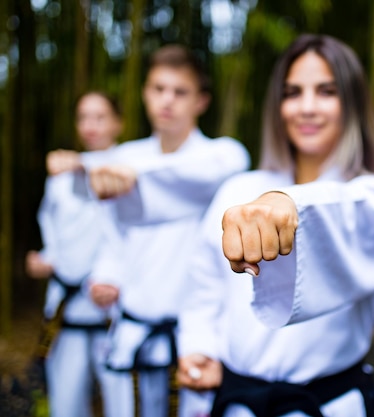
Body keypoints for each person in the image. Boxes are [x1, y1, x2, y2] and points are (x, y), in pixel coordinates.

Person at [176, 34, 374, 417]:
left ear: (351, 103)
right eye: (292, 92)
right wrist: (199, 348)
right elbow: (205, 287)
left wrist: (288, 204)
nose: (306, 107)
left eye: (325, 92)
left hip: (327, 404)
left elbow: (356, 217)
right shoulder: (240, 189)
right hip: (237, 400)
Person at [85, 44, 250, 417]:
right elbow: (113, 238)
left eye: (180, 92)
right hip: (133, 328)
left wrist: (133, 178)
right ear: (144, 92)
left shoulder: (223, 158)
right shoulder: (125, 157)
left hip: (194, 339)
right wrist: (105, 277)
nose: (167, 101)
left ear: (201, 101)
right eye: (158, 89)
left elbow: (202, 175)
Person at [25, 90, 125, 417]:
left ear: (118, 123)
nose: (89, 125)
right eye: (83, 117)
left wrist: (116, 278)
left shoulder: (131, 171)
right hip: (65, 310)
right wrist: (45, 258)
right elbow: (53, 231)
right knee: (65, 405)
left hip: (114, 313)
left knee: (122, 405)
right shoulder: (58, 180)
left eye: (99, 117)